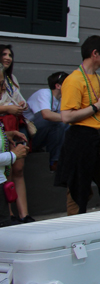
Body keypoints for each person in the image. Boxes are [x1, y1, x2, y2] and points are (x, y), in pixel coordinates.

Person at [56, 36, 100, 215]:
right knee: (78, 188)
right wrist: (96, 107)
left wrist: (98, 105)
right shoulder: (74, 80)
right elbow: (66, 116)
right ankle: (74, 231)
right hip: (81, 139)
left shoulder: (97, 77)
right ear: (95, 53)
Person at [0, 50, 31, 222]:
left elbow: (20, 100)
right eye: (3, 54)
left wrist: (20, 105)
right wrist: (6, 109)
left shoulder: (12, 80)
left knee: (18, 169)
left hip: (12, 125)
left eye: (11, 55)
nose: (8, 58)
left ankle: (23, 215)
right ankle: (9, 215)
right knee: (8, 171)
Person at [24, 72, 68, 172]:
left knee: (66, 125)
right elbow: (46, 115)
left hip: (41, 135)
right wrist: (69, 118)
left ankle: (60, 159)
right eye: (68, 83)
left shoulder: (62, 99)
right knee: (57, 122)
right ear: (58, 86)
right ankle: (54, 161)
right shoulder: (44, 93)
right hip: (28, 136)